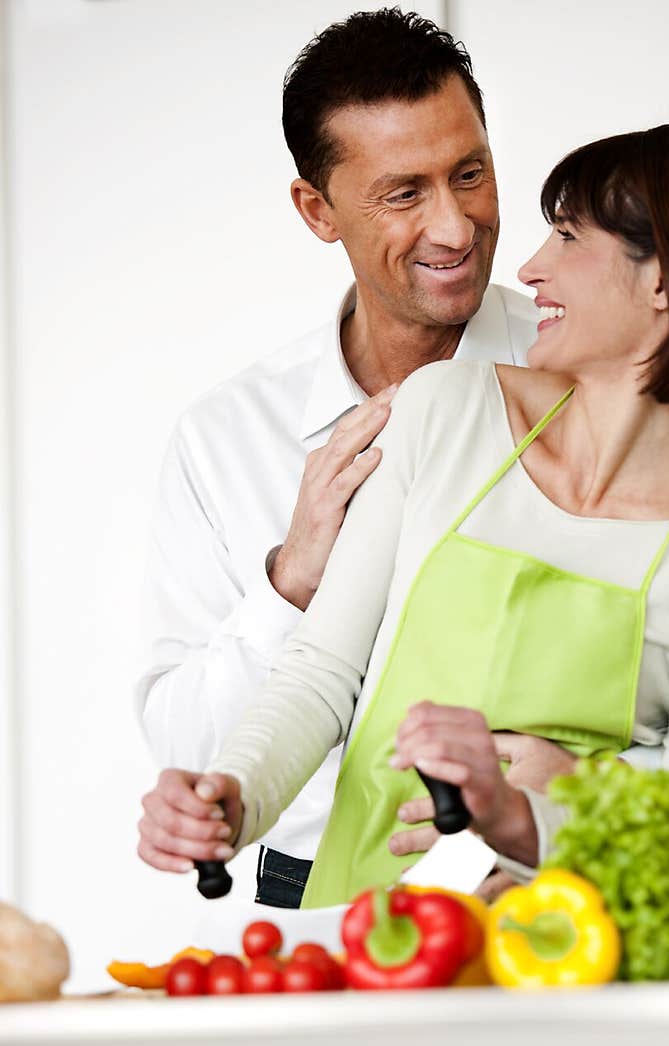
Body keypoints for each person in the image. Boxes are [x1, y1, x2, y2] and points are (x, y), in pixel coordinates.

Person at [140, 122, 669, 909]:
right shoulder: (444, 411)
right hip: (368, 932)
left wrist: (541, 812)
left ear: (662, 279)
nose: (529, 269)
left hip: (575, 964)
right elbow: (322, 673)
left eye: (566, 236)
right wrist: (234, 795)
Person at [135, 9, 579, 908]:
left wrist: (582, 787)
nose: (455, 228)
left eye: (471, 173)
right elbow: (188, 756)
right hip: (314, 905)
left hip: (548, 882)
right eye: (403, 193)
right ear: (317, 210)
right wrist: (290, 578)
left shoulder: (584, 367)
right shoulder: (226, 439)